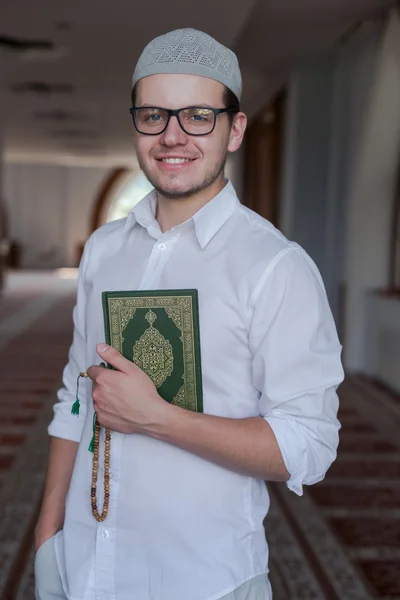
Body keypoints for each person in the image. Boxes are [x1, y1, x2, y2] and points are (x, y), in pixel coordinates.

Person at [34, 28, 344, 600]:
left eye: (198, 115)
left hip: (203, 578)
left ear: (235, 129)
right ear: (136, 124)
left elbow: (309, 445)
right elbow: (74, 399)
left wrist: (158, 418)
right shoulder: (104, 248)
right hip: (86, 566)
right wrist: (47, 536)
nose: (172, 135)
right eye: (153, 114)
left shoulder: (275, 267)